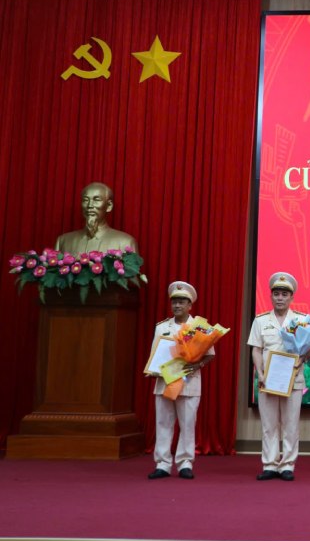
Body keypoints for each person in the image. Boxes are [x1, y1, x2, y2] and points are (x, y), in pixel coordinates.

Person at [147, 281, 214, 480]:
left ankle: (185, 463)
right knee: (163, 423)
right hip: (165, 382)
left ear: (190, 305)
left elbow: (210, 354)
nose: (177, 305)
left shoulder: (199, 327)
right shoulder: (161, 328)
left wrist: (197, 365)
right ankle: (163, 463)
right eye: (174, 302)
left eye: (182, 302)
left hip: (188, 382)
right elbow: (154, 355)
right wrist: (152, 370)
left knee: (187, 424)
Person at [248, 272, 310, 481]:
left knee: (291, 424)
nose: (280, 298)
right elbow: (256, 350)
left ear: (291, 298)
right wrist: (260, 373)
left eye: (284, 294)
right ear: (271, 296)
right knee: (269, 424)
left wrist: (304, 358)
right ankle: (270, 464)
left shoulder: (301, 321)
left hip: (293, 378)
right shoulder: (261, 321)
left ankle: (288, 465)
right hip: (268, 379)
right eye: (276, 294)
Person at [55, 182, 137, 254]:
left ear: (109, 206)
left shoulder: (125, 242)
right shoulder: (63, 241)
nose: (90, 205)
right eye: (85, 200)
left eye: (96, 200)